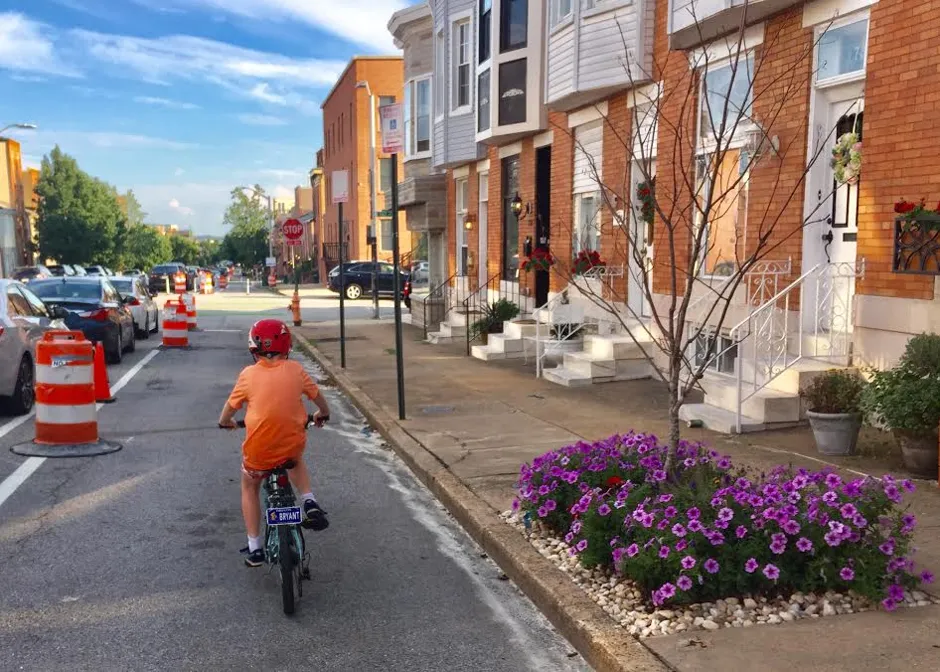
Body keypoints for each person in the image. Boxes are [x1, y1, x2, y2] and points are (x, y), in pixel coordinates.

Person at [218, 319, 331, 567]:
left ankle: (255, 548)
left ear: (253, 347)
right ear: (287, 345)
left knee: (249, 486)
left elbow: (228, 410)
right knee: (295, 459)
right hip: (291, 444)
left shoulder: (248, 375)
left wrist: (226, 422)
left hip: (258, 452)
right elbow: (318, 399)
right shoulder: (296, 370)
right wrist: (322, 414)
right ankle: (309, 500)